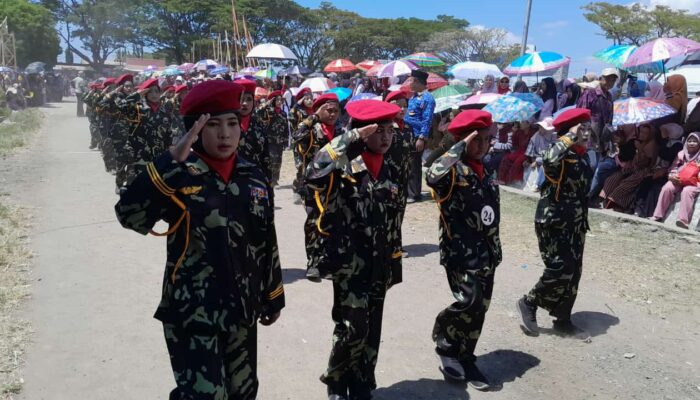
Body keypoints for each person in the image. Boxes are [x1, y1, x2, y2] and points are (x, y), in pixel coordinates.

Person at [115, 80, 285, 399]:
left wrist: (273, 293)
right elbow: (128, 215)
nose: (225, 134)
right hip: (193, 311)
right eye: (214, 125)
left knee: (244, 392)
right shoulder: (178, 174)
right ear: (195, 130)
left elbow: (266, 239)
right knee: (204, 395)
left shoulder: (253, 177)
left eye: (232, 124)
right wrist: (169, 159)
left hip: (242, 308)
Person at [304, 100, 404, 400]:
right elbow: (314, 170)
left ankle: (362, 383)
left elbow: (395, 219)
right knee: (352, 328)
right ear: (362, 132)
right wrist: (349, 139)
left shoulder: (392, 168)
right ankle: (337, 381)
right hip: (350, 263)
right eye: (378, 131)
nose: (386, 137)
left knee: (372, 330)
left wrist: (395, 261)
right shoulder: (343, 164)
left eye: (389, 131)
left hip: (380, 262)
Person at [426, 109, 501, 390]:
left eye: (486, 139)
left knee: (480, 307)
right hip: (460, 251)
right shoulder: (452, 170)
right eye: (475, 140)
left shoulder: (487, 168)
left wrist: (495, 249)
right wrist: (457, 146)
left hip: (487, 251)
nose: (482, 146)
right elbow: (432, 175)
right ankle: (446, 343)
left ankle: (466, 355)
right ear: (462, 139)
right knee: (469, 301)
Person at [517, 108, 593, 336]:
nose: (588, 133)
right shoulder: (557, 152)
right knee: (561, 267)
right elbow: (548, 159)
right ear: (569, 130)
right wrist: (569, 136)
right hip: (554, 220)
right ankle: (529, 302)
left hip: (576, 222)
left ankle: (563, 319)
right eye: (582, 128)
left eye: (588, 128)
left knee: (574, 271)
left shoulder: (582, 155)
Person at [293, 93, 342, 281]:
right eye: (328, 110)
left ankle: (327, 263)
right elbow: (296, 136)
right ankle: (313, 264)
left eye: (336, 111)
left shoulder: (339, 132)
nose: (332, 114)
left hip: (335, 184)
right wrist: (313, 117)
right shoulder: (312, 130)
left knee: (333, 222)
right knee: (314, 223)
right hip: (314, 186)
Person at [600, 123, 659, 211]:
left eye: (645, 133)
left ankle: (615, 202)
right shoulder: (636, 142)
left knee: (627, 183)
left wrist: (639, 149)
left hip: (644, 170)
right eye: (641, 132)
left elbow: (645, 163)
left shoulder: (651, 145)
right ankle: (603, 199)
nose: (642, 135)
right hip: (633, 167)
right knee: (613, 178)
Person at [650, 132, 700, 229]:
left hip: (695, 182)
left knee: (687, 191)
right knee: (667, 187)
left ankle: (682, 220)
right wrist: (672, 176)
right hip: (680, 179)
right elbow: (673, 167)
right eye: (689, 141)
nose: (692, 143)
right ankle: (657, 216)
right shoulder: (681, 154)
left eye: (695, 141)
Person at [404, 70, 436, 202]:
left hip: (417, 135)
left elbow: (427, 119)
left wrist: (422, 138)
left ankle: (414, 194)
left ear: (417, 81)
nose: (409, 83)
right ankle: (409, 190)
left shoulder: (428, 98)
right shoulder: (413, 96)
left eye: (410, 80)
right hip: (408, 133)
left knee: (414, 164)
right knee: (408, 163)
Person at [290, 88, 315, 204]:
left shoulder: (316, 110)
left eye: (311, 98)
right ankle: (296, 189)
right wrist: (297, 104)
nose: (310, 101)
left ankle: (307, 190)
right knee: (301, 167)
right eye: (307, 98)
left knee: (311, 167)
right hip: (300, 144)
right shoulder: (299, 111)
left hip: (313, 143)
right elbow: (291, 116)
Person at [497, 119, 535, 184]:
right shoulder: (519, 131)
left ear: (528, 124)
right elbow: (514, 143)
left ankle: (510, 181)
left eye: (522, 122)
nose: (520, 124)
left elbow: (533, 147)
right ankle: (502, 179)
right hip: (519, 151)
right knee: (506, 158)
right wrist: (514, 133)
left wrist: (529, 159)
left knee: (518, 162)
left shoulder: (533, 133)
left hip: (528, 153)